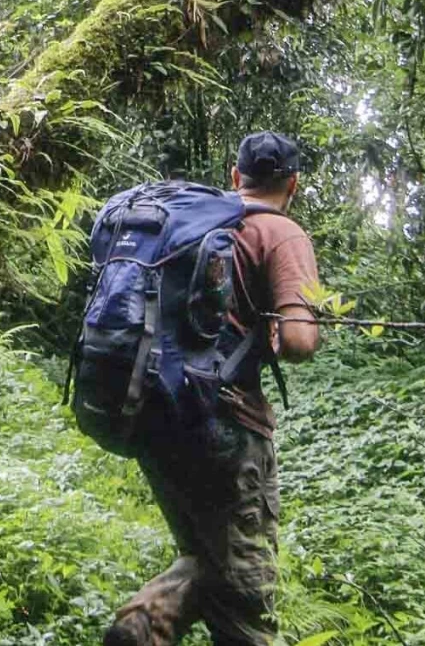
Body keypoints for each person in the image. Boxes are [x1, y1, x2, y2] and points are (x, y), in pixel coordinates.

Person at [104, 131, 321, 646]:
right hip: (226, 426)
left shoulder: (197, 222)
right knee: (247, 592)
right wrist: (304, 321)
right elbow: (298, 340)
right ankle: (150, 621)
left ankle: (146, 621)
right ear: (293, 183)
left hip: (159, 414)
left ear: (234, 176)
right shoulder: (281, 234)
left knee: (208, 553)